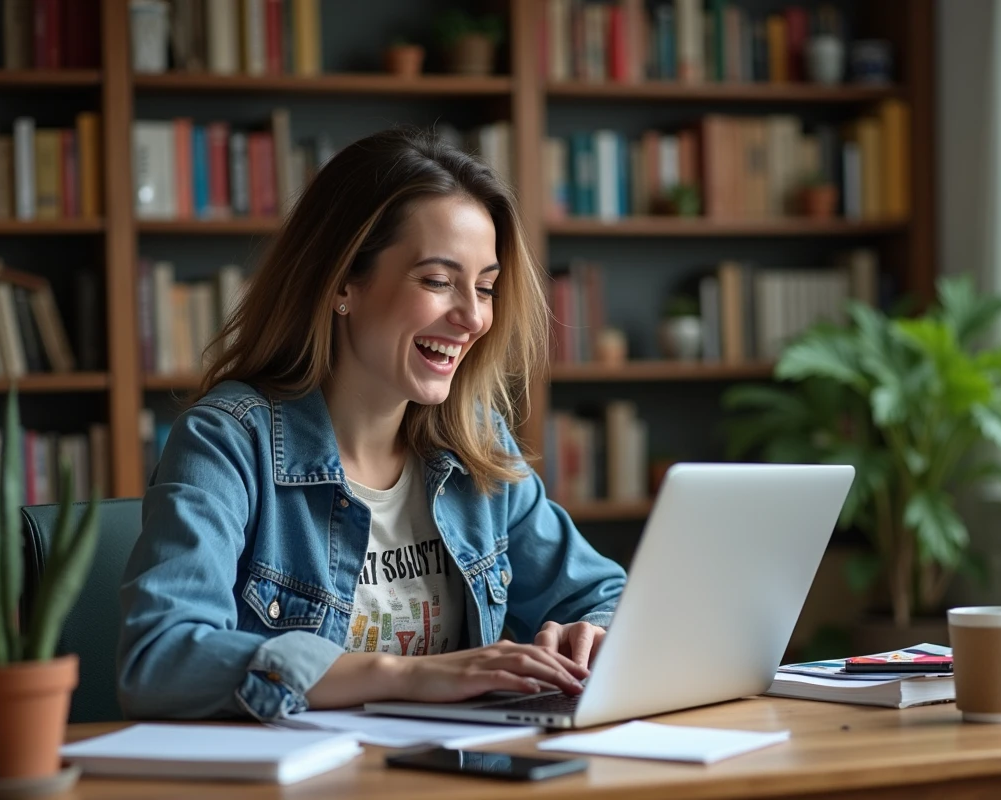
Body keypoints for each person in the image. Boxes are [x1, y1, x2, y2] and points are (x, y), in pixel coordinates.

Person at [117, 127, 627, 722]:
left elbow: (603, 595)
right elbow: (158, 658)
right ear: (341, 284)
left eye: (485, 287)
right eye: (437, 281)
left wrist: (592, 633)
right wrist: (405, 676)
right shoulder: (228, 441)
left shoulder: (475, 441)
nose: (472, 317)